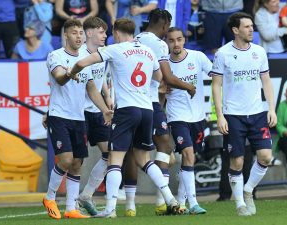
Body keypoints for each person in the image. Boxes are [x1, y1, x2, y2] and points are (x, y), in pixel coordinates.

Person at [69, 17, 184, 218]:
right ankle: (170, 199)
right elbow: (158, 78)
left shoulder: (115, 49)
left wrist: (73, 71)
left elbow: (83, 61)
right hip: (147, 110)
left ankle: (110, 208)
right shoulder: (148, 52)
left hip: (126, 110)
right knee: (144, 159)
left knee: (114, 159)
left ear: (116, 32)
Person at [42, 19, 113, 219]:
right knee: (66, 160)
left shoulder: (85, 58)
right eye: (74, 33)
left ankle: (71, 208)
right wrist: (71, 72)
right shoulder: (55, 56)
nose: (79, 36)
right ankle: (49, 197)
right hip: (59, 115)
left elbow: (91, 88)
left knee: (77, 163)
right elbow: (59, 78)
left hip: (78, 117)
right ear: (66, 35)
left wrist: (104, 109)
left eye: (81, 33)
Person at [211, 12, 277, 216]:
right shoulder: (223, 53)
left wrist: (271, 108)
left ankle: (248, 190)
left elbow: (266, 81)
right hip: (233, 115)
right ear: (235, 30)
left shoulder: (259, 52)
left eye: (252, 26)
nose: (251, 30)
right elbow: (216, 85)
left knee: (265, 156)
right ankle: (239, 203)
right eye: (247, 26)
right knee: (237, 161)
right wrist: (220, 115)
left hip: (257, 113)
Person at [132, 8, 196, 216]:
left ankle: (130, 205)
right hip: (149, 103)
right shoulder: (158, 44)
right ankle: (163, 201)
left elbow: (156, 75)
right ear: (164, 26)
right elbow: (167, 76)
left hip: (132, 101)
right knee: (164, 146)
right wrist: (189, 87)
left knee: (127, 154)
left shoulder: (135, 39)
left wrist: (160, 83)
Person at [165, 27, 211, 214]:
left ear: (184, 40)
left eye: (179, 39)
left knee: (188, 160)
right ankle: (193, 203)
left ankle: (182, 201)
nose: (176, 44)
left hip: (198, 116)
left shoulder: (197, 57)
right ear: (166, 42)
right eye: (171, 40)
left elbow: (215, 74)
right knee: (189, 154)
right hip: (176, 116)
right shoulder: (164, 64)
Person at [75, 16, 113, 216]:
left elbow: (101, 78)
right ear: (89, 33)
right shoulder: (78, 55)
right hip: (79, 112)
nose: (105, 35)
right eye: (101, 32)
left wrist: (107, 96)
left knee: (110, 153)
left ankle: (86, 194)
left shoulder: (103, 54)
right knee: (76, 160)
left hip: (97, 111)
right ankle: (70, 202)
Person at [277, 83, 287, 172]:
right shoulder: (282, 105)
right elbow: (278, 125)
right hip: (286, 138)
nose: (285, 94)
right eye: (286, 92)